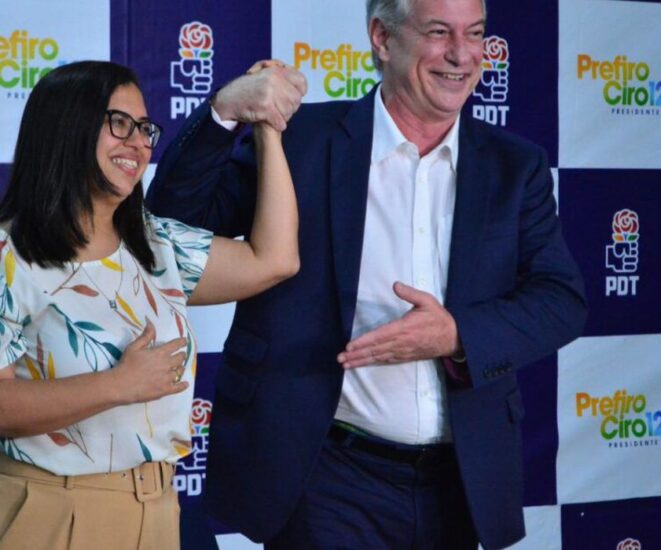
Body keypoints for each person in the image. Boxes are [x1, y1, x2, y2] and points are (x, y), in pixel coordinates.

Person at [147, 0, 587, 548]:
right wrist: (224, 111)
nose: (463, 54)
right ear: (382, 37)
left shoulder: (515, 166)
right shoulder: (303, 140)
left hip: (459, 483)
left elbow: (561, 300)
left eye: (475, 34)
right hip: (324, 474)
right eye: (439, 32)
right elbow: (175, 224)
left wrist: (455, 334)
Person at [0, 60, 298, 550]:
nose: (138, 143)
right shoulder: (9, 255)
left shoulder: (157, 244)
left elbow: (275, 259)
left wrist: (267, 127)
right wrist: (119, 384)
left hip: (159, 510)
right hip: (52, 510)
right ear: (66, 127)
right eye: (119, 123)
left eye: (144, 128)